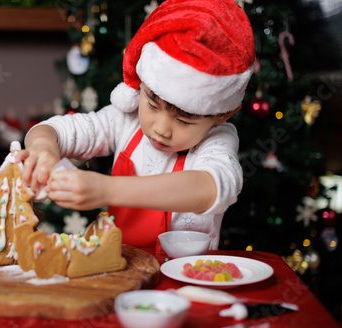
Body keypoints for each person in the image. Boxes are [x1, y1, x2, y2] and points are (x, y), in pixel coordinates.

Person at [16, 0, 256, 251]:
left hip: (185, 278)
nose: (162, 128)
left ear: (222, 114)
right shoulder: (124, 121)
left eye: (184, 120)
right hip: (122, 272)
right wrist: (44, 149)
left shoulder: (218, 139)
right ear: (140, 86)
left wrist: (107, 190)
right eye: (152, 104)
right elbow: (57, 131)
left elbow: (211, 188)